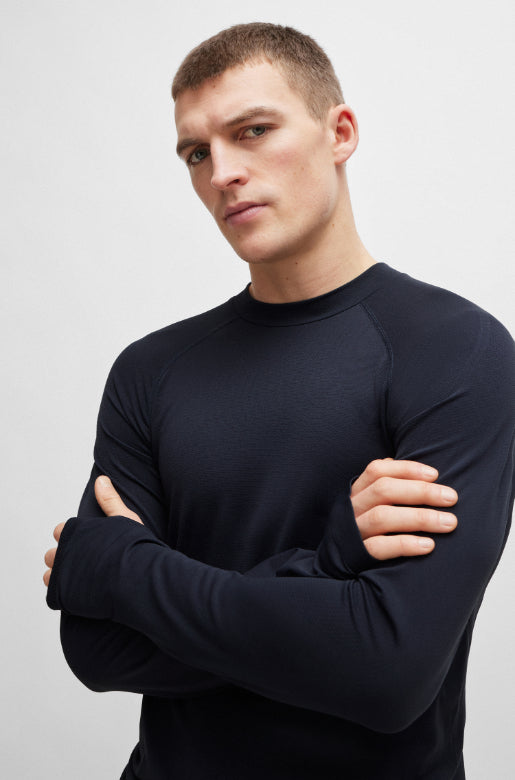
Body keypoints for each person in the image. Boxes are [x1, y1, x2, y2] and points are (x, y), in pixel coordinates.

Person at [44, 22, 514, 780]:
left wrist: (123, 571)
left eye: (252, 131)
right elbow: (98, 649)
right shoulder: (149, 370)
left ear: (340, 133)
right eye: (196, 153)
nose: (222, 172)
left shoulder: (456, 350)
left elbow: (388, 673)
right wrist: (330, 568)